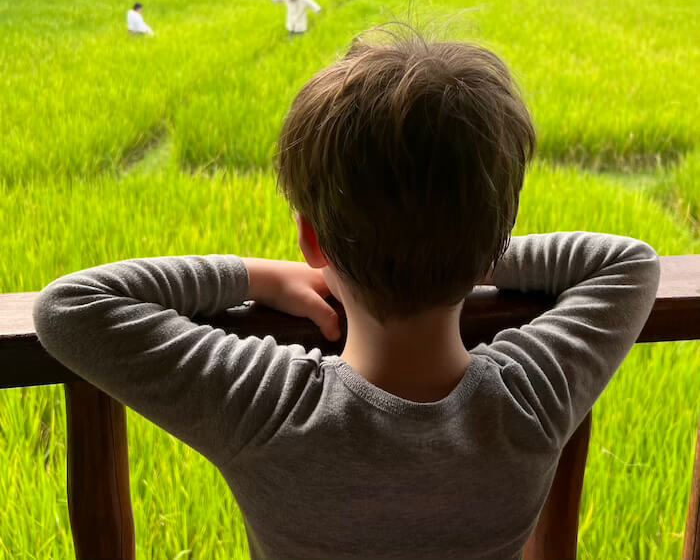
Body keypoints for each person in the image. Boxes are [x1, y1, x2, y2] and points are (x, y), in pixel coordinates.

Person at [34, 31, 659, 560]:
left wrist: (262, 277)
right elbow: (628, 262)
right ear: (494, 240)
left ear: (312, 239)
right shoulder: (531, 399)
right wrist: (469, 252)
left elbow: (72, 307)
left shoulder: (268, 408)